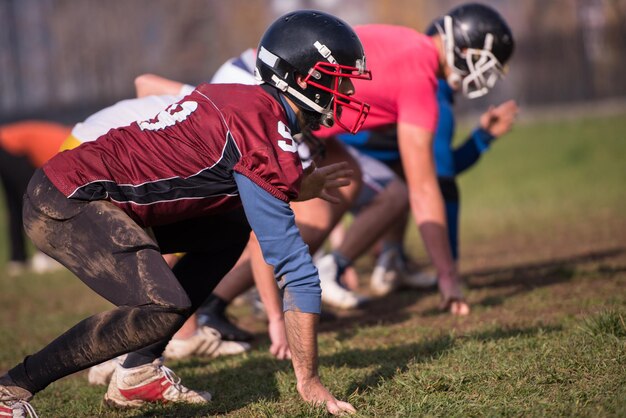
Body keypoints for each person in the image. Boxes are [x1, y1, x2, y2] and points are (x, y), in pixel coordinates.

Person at [0, 10, 371, 416]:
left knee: (229, 229)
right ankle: (12, 388)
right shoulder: (261, 135)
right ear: (302, 79)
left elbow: (223, 163)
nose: (346, 90)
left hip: (79, 188)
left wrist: (295, 183)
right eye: (338, 79)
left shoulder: (242, 99)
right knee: (163, 305)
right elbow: (294, 267)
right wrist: (310, 380)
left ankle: (138, 374)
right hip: (70, 198)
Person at [310, 2, 516, 315]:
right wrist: (450, 272)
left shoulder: (408, 48)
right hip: (303, 135)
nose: (485, 76)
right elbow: (437, 181)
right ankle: (279, 287)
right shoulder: (424, 83)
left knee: (396, 183)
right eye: (483, 63)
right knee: (289, 226)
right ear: (463, 48)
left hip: (319, 141)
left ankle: (383, 262)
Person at [334, 79, 519, 296]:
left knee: (405, 172)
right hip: (340, 166)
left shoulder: (425, 86)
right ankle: (335, 266)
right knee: (404, 191)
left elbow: (438, 165)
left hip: (336, 159)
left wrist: (483, 137)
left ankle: (391, 260)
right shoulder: (432, 95)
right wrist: (451, 270)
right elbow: (442, 180)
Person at [0, 120, 72, 276]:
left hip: (5, 146)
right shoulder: (71, 146)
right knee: (33, 203)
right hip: (14, 149)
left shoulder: (66, 136)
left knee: (15, 206)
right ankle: (43, 256)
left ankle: (17, 259)